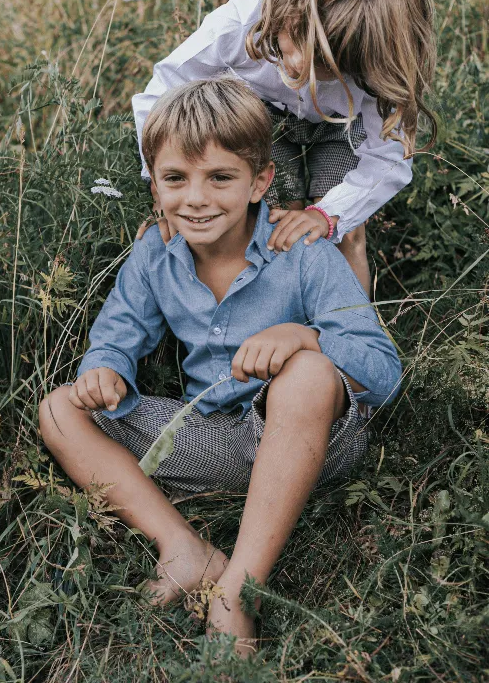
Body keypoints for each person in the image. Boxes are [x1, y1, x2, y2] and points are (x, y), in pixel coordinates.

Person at [40, 78, 402, 655]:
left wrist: (304, 337)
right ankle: (184, 547)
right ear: (154, 185)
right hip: (211, 439)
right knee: (59, 409)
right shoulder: (153, 254)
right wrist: (105, 370)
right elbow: (115, 335)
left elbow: (383, 372)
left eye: (221, 178)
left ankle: (239, 588)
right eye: (175, 179)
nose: (196, 199)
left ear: (260, 182)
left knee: (307, 373)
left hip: (312, 443)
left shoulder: (304, 253)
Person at [132, 0, 436, 295]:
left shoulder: (378, 73)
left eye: (320, 64)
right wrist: (160, 179)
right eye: (289, 44)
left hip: (343, 125)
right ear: (286, 5)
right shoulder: (243, 18)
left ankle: (354, 334)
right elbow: (165, 88)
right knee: (271, 218)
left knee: (343, 231)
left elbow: (386, 159)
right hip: (260, 114)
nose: (293, 65)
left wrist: (326, 215)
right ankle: (274, 315)